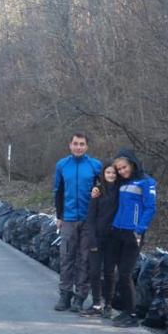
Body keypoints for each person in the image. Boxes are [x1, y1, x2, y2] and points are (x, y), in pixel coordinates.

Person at [102, 148, 157, 327]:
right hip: (116, 231)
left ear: (132, 164)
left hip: (133, 234)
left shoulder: (146, 182)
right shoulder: (123, 182)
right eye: (119, 169)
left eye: (124, 167)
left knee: (125, 274)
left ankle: (132, 315)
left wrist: (139, 229)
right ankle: (122, 310)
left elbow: (150, 208)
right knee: (114, 272)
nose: (121, 171)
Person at [52, 133, 102, 312]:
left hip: (89, 220)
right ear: (70, 145)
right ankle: (65, 295)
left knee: (85, 258)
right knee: (66, 257)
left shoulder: (95, 165)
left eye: (82, 144)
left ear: (87, 146)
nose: (78, 147)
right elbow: (58, 191)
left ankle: (80, 296)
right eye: (75, 143)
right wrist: (59, 216)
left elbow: (104, 189)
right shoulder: (62, 165)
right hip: (68, 218)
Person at [79, 161, 121, 317]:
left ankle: (108, 305)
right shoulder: (97, 192)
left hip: (113, 238)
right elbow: (90, 217)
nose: (111, 175)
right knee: (95, 271)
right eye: (108, 172)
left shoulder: (121, 192)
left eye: (114, 173)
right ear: (103, 174)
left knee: (109, 272)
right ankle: (96, 303)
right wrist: (92, 238)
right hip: (96, 237)